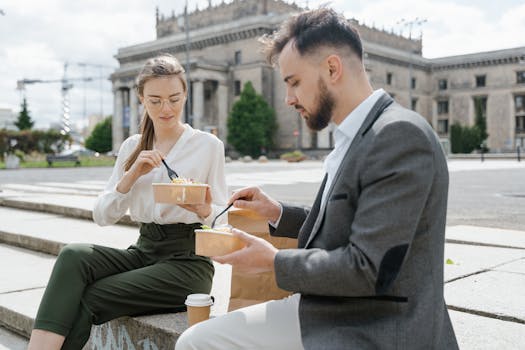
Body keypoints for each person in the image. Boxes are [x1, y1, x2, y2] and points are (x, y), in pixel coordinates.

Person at [175, 7, 458, 350]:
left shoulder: (398, 135)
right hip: (337, 308)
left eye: (294, 81)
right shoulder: (356, 135)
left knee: (197, 343)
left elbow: (367, 267)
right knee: (197, 340)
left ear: (332, 68)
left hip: (377, 326)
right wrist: (277, 212)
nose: (288, 98)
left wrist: (273, 261)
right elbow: (353, 222)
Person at [27, 54, 228, 350]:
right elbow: (102, 216)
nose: (166, 108)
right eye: (155, 100)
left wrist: (203, 210)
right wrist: (131, 176)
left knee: (93, 295)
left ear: (185, 94)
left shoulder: (208, 146)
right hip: (144, 250)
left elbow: (225, 222)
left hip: (187, 263)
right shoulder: (132, 147)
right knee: (72, 255)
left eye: (174, 98)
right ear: (141, 99)